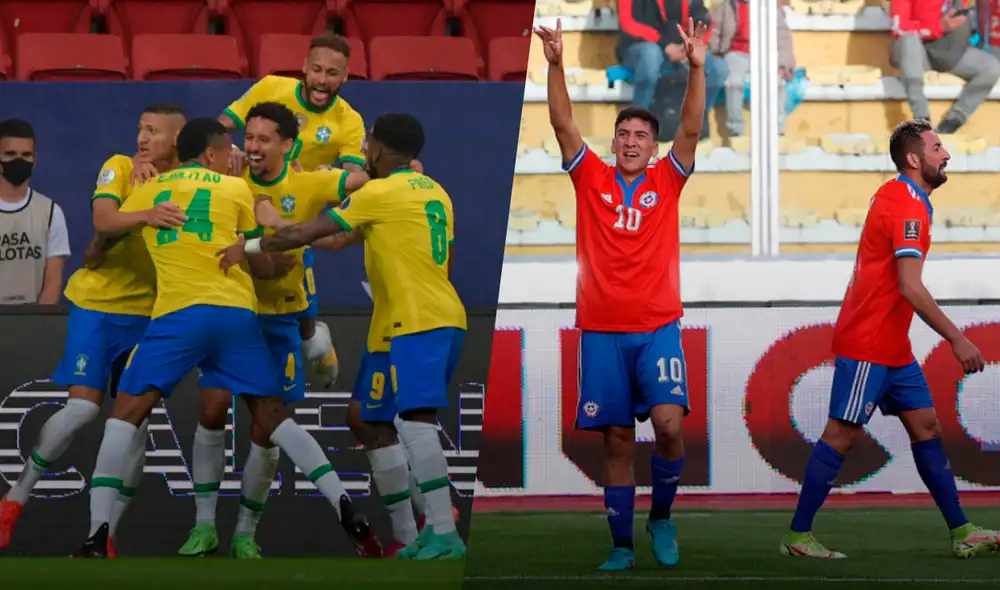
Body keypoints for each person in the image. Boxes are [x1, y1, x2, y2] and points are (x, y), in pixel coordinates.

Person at [72, 118, 374, 558]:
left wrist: (141, 211)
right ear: (212, 154)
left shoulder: (152, 190)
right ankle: (344, 505)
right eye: (229, 147)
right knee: (273, 418)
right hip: (236, 315)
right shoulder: (235, 191)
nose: (235, 154)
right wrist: (278, 261)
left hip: (178, 316)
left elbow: (106, 224)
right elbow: (263, 260)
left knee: (124, 417)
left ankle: (97, 534)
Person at [217, 113, 468, 561]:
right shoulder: (434, 192)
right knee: (366, 417)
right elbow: (336, 240)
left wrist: (257, 237)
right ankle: (411, 536)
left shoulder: (380, 192)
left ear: (376, 148)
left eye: (369, 141)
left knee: (414, 421)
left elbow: (304, 232)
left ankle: (444, 530)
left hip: (418, 321)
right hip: (406, 322)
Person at [780, 119, 999, 560]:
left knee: (926, 426)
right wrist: (957, 339)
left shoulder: (901, 194)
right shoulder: (907, 206)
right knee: (841, 435)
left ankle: (962, 531)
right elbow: (910, 286)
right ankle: (797, 537)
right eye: (938, 148)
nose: (947, 155)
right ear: (915, 159)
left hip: (892, 345)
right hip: (870, 342)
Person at [534, 18, 705, 571]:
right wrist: (556, 64)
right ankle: (622, 546)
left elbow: (694, 129)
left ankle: (661, 517)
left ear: (654, 149)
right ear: (614, 142)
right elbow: (562, 122)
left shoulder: (668, 181)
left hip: (657, 326)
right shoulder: (590, 177)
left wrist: (697, 68)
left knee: (669, 424)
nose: (632, 143)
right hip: (602, 331)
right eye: (624, 135)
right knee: (614, 441)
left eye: (642, 137)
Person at [178, 102, 380, 559]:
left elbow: (362, 182)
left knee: (266, 432)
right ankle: (204, 527)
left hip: (279, 316)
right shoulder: (228, 180)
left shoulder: (307, 180)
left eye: (264, 139)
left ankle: (245, 533)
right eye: (248, 138)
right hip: (235, 314)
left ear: (288, 145)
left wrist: (379, 171)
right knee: (211, 411)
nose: (252, 147)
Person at [0, 104, 188, 557]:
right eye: (139, 128)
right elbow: (103, 222)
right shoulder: (119, 167)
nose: (142, 138)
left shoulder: (186, 182)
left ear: (176, 142)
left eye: (153, 132)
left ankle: (104, 536)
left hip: (149, 316)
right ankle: (14, 500)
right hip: (98, 306)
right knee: (84, 412)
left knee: (135, 429)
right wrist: (145, 211)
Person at [890, 0, 1000, 134]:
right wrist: (938, 27)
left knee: (992, 67)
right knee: (909, 40)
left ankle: (954, 120)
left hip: (950, 53)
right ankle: (921, 119)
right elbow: (899, 29)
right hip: (917, 53)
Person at [0, 118, 71, 305]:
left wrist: (37, 326)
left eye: (26, 154)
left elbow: (53, 281)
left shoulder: (51, 213)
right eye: (10, 154)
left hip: (31, 327)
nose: (19, 160)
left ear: (35, 160)